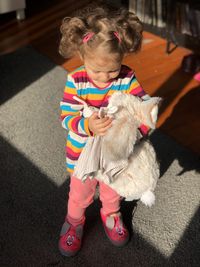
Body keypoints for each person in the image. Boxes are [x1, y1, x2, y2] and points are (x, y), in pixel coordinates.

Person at [58, 6, 150, 257]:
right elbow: (66, 116)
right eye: (97, 70)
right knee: (79, 193)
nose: (105, 77)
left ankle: (111, 214)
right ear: (82, 57)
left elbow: (142, 104)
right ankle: (74, 222)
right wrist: (87, 125)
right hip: (82, 154)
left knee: (112, 189)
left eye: (112, 69)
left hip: (114, 152)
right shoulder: (76, 80)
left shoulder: (126, 77)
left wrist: (143, 125)